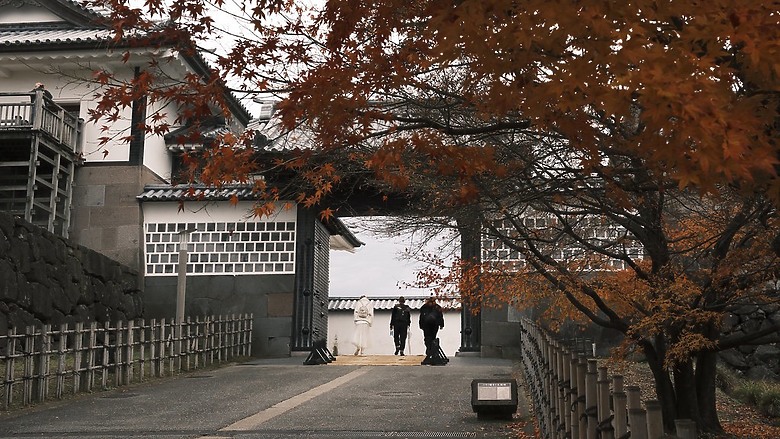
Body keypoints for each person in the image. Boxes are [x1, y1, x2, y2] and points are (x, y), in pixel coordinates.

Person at [419, 296, 445, 365]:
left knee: (427, 338)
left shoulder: (424, 307)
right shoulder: (437, 307)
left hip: (426, 326)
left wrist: (421, 325)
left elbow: (421, 317)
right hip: (434, 325)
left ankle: (429, 351)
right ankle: (431, 352)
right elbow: (440, 316)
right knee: (432, 338)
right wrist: (441, 324)